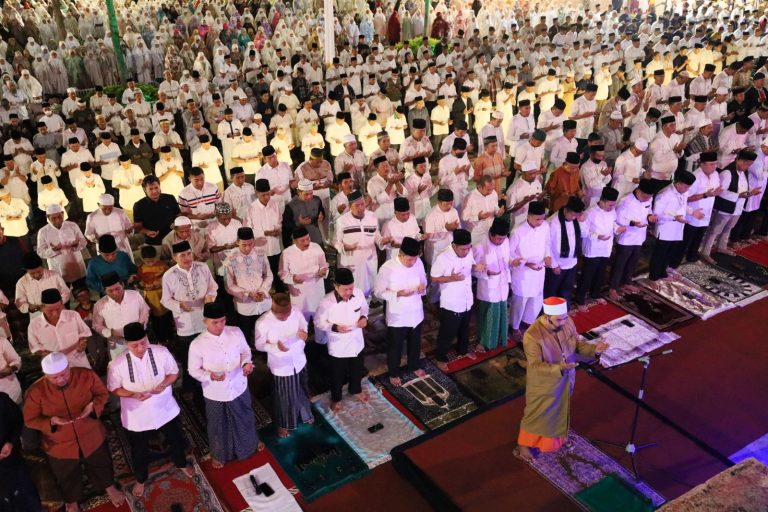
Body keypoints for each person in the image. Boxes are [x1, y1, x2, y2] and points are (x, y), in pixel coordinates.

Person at [24, 352, 125, 511]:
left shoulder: (86, 375)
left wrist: (92, 407)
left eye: (64, 374)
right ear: (45, 375)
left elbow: (102, 394)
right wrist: (51, 421)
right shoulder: (35, 392)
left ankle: (109, 487)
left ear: (68, 367)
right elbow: (30, 419)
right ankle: (71, 501)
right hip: (59, 443)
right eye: (54, 377)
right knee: (66, 474)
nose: (60, 379)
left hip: (91, 433)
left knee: (101, 463)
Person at [516, 297, 608, 462]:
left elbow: (576, 345)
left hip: (567, 376)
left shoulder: (567, 322)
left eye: (565, 317)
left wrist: (595, 349)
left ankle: (554, 441)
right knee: (537, 414)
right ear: (547, 318)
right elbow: (534, 366)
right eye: (559, 320)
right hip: (544, 382)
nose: (564, 322)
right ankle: (524, 444)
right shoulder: (532, 335)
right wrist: (558, 367)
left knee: (561, 409)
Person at [106, 323, 193, 497]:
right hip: (137, 414)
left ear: (147, 338)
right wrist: (132, 394)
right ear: (126, 344)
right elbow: (114, 388)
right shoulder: (117, 364)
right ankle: (140, 479)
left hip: (164, 406)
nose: (140, 348)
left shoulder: (161, 352)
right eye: (135, 345)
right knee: (139, 449)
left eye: (143, 342)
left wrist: (164, 384)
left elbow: (173, 373)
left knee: (176, 438)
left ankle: (181, 463)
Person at [188, 303, 263, 467]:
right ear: (205, 321)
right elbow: (193, 370)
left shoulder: (235, 332)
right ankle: (219, 454)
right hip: (215, 392)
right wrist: (210, 376)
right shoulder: (197, 344)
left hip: (238, 385)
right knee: (217, 424)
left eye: (222, 321)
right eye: (214, 322)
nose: (219, 326)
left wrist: (245, 364)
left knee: (245, 416)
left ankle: (251, 443)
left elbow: (245, 351)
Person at [161, 240, 218, 395]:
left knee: (208, 353)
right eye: (182, 255)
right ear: (175, 257)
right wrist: (179, 305)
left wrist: (210, 296)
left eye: (188, 254)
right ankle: (191, 389)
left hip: (204, 318)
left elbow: (213, 286)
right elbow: (165, 300)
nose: (187, 258)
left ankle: (211, 382)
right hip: (185, 323)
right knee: (189, 356)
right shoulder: (169, 275)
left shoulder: (202, 267)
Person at [254, 293, 313, 437]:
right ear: (274, 311)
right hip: (281, 365)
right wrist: (275, 347)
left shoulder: (296, 310)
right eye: (282, 316)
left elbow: (303, 324)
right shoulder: (263, 322)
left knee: (302, 388)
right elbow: (259, 345)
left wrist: (304, 332)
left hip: (299, 359)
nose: (286, 318)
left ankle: (305, 413)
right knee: (284, 396)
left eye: (288, 314)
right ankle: (284, 424)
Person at [374, 237, 427, 386]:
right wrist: (397, 294)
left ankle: (414, 365)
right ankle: (394, 373)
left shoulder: (418, 262)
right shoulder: (387, 268)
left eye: (415, 259)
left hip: (416, 311)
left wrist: (422, 287)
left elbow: (424, 280)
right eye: (409, 260)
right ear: (400, 254)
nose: (413, 263)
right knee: (395, 346)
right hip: (398, 315)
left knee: (415, 342)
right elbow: (378, 292)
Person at [315, 268, 370, 411]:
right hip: (338, 345)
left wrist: (364, 317)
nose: (349, 292)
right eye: (345, 289)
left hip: (357, 341)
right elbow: (318, 322)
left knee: (357, 369)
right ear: (335, 286)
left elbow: (364, 308)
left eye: (351, 288)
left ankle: (355, 389)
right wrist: (334, 328)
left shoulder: (358, 293)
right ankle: (336, 398)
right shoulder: (326, 302)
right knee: (337, 374)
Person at [430, 229, 485, 371]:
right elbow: (434, 278)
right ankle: (440, 357)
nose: (466, 252)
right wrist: (451, 278)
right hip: (451, 302)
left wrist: (476, 267)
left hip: (466, 298)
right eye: (463, 249)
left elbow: (470, 265)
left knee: (464, 328)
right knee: (448, 332)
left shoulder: (468, 252)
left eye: (468, 248)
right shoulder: (443, 257)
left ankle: (463, 350)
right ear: (454, 245)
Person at [509, 201, 551, 340]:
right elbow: (510, 254)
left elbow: (547, 243)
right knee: (520, 301)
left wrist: (548, 256)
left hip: (539, 270)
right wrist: (526, 263)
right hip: (524, 273)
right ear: (529, 216)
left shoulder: (545, 226)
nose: (541, 222)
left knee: (536, 298)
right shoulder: (517, 231)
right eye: (538, 219)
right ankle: (515, 327)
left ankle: (528, 322)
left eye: (542, 218)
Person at [575, 187, 624, 305]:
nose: (612, 207)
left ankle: (595, 294)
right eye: (610, 205)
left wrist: (617, 229)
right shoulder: (590, 212)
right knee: (588, 274)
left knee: (600, 273)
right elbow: (583, 232)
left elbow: (613, 223)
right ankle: (580, 300)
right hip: (593, 248)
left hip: (606, 248)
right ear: (602, 201)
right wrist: (597, 236)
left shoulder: (612, 211)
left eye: (613, 205)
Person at [224, 227, 273, 344]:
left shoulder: (261, 254)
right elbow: (229, 285)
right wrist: (247, 294)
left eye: (250, 244)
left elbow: (268, 275)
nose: (247, 248)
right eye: (244, 245)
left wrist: (263, 291)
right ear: (237, 242)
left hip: (264, 302)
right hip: (245, 306)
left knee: (266, 332)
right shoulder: (231, 258)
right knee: (245, 334)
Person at [649, 171, 701, 283]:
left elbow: (683, 205)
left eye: (688, 187)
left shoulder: (684, 191)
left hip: (677, 228)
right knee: (659, 254)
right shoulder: (665, 194)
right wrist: (674, 218)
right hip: (665, 229)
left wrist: (692, 212)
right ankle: (653, 277)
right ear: (678, 183)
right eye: (686, 186)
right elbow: (656, 214)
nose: (687, 189)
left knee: (669, 253)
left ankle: (662, 273)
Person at [609, 180, 656, 299]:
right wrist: (633, 223)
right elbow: (618, 219)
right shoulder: (626, 201)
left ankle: (626, 282)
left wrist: (650, 216)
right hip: (626, 237)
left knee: (633, 262)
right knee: (620, 263)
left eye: (649, 197)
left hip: (639, 236)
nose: (647, 199)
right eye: (645, 196)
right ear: (639, 191)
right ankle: (612, 287)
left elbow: (648, 210)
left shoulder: (648, 199)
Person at [332, 190, 383, 298]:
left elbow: (376, 235)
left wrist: (382, 241)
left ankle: (367, 305)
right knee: (352, 289)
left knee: (369, 287)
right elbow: (336, 241)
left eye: (362, 204)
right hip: (351, 260)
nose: (361, 208)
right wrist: (344, 247)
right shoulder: (342, 220)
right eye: (357, 205)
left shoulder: (372, 216)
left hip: (369, 259)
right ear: (350, 206)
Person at [472, 218, 512, 352]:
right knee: (489, 315)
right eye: (499, 239)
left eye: (503, 238)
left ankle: (501, 338)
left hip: (503, 284)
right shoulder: (479, 247)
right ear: (491, 234)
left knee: (502, 312)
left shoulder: (505, 241)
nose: (501, 241)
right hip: (489, 287)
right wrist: (487, 272)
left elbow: (507, 259)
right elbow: (473, 270)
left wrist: (513, 263)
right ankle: (484, 342)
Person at [92, 272, 150, 361]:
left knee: (145, 361)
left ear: (122, 284)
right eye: (110, 291)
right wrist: (110, 333)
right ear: (104, 290)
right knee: (121, 366)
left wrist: (140, 327)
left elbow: (145, 311)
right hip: (118, 344)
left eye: (117, 288)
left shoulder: (135, 295)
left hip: (139, 340)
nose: (115, 293)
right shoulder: (99, 305)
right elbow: (96, 325)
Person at [28, 288, 92, 369]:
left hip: (78, 361)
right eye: (50, 310)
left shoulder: (73, 315)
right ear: (42, 307)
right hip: (55, 365)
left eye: (58, 309)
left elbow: (84, 333)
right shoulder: (34, 325)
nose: (55, 314)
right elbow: (34, 347)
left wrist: (83, 342)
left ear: (62, 303)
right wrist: (47, 354)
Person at [0, 391, 42, 511]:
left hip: (12, 461)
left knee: (28, 497)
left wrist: (11, 442)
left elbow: (17, 421)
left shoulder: (2, 400)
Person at [36, 204, 87, 288]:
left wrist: (77, 245)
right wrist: (53, 250)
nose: (57, 220)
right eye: (54, 218)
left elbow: (83, 241)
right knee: (63, 294)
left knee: (82, 291)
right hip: (58, 269)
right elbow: (41, 252)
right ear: (48, 217)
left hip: (76, 266)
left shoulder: (72, 225)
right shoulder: (43, 231)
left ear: (63, 214)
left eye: (59, 216)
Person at [544, 196, 585, 303]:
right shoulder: (553, 222)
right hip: (557, 265)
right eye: (573, 215)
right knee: (551, 291)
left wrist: (582, 222)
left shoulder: (576, 220)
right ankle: (549, 312)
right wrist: (554, 264)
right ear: (566, 210)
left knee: (566, 290)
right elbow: (547, 245)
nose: (574, 218)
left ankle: (563, 311)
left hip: (571, 263)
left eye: (576, 215)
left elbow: (584, 235)